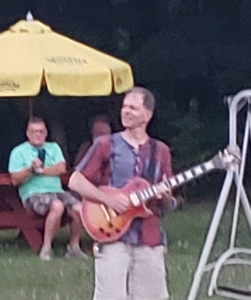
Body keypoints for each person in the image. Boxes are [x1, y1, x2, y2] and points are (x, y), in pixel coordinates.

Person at [69, 87, 180, 300]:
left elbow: (167, 205)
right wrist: (109, 200)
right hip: (112, 236)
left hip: (149, 237)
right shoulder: (105, 145)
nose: (126, 111)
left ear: (147, 115)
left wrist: (165, 197)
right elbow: (75, 181)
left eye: (133, 108)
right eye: (125, 107)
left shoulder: (161, 151)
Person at [8, 116, 87, 261]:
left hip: (57, 191)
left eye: (41, 131)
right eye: (34, 131)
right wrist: (30, 170)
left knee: (79, 207)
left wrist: (41, 170)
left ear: (46, 133)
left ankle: (74, 247)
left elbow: (61, 168)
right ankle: (46, 248)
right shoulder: (18, 152)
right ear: (27, 133)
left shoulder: (53, 147)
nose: (38, 134)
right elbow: (15, 180)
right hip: (34, 194)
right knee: (57, 206)